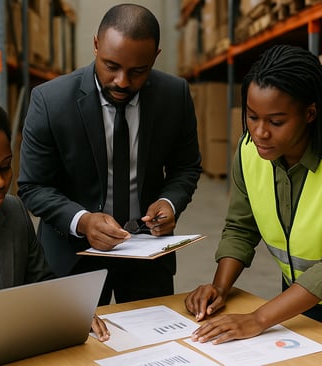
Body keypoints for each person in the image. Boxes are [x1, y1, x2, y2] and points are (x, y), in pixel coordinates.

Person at [18, 3, 201, 305]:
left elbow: (186, 167)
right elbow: (33, 186)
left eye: (138, 71)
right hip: (72, 257)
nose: (122, 81)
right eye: (111, 66)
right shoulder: (50, 101)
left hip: (148, 256)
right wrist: (82, 220)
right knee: (73, 349)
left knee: (151, 346)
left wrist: (170, 202)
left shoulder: (175, 96)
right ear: (95, 45)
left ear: (155, 56)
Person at [185, 44, 322, 344]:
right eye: (251, 116)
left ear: (310, 113)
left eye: (276, 122)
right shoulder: (249, 153)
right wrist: (219, 289)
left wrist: (259, 319)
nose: (260, 132)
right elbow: (241, 227)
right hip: (301, 301)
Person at [0, 96, 109, 345]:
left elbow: (40, 281)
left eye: (5, 167)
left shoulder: (12, 212)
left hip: (5, 346)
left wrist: (70, 309)